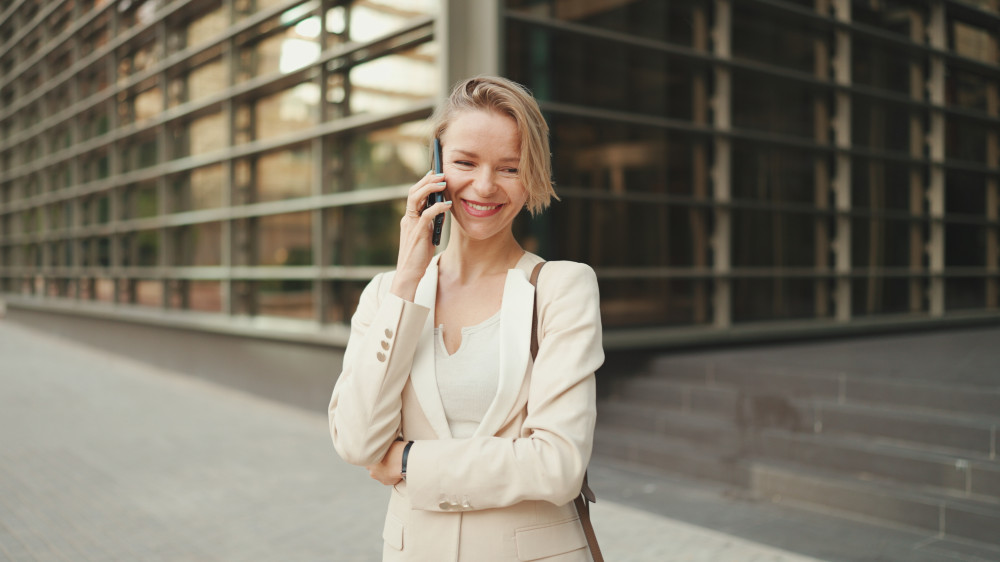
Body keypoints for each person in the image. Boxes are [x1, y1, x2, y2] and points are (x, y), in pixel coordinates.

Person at [328, 75, 604, 562]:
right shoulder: (385, 296)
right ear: (436, 166)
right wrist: (406, 283)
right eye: (464, 162)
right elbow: (355, 440)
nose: (483, 186)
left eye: (509, 168)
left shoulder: (563, 288)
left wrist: (410, 459)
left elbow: (558, 465)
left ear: (533, 174)